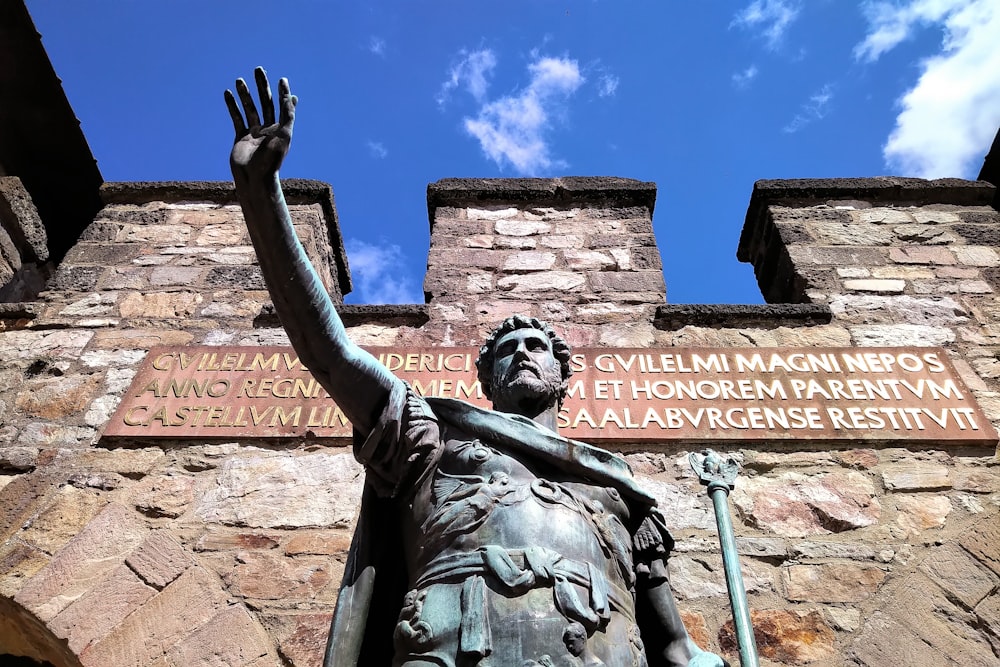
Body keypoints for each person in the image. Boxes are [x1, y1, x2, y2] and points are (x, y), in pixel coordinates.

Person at [226, 68, 727, 667]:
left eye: (536, 345)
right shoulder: (429, 439)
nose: (521, 352)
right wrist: (261, 191)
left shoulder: (622, 493)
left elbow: (675, 648)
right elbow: (329, 352)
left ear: (564, 375)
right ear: (485, 379)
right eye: (505, 349)